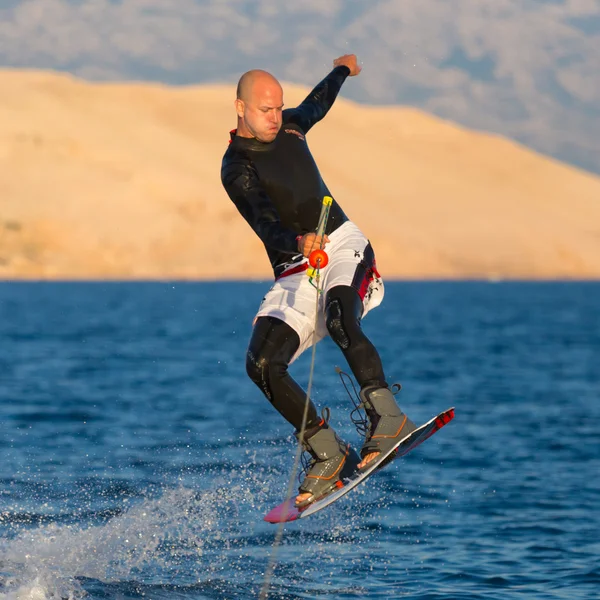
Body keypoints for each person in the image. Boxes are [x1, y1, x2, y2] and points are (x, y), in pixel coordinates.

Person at [221, 54, 416, 508]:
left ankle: (387, 418)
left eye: (279, 108)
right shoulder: (236, 168)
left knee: (341, 317)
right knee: (262, 365)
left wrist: (343, 70)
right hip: (296, 267)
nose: (276, 118)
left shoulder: (291, 125)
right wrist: (296, 240)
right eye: (266, 111)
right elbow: (264, 222)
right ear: (240, 108)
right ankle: (327, 453)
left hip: (343, 245)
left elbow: (318, 102)